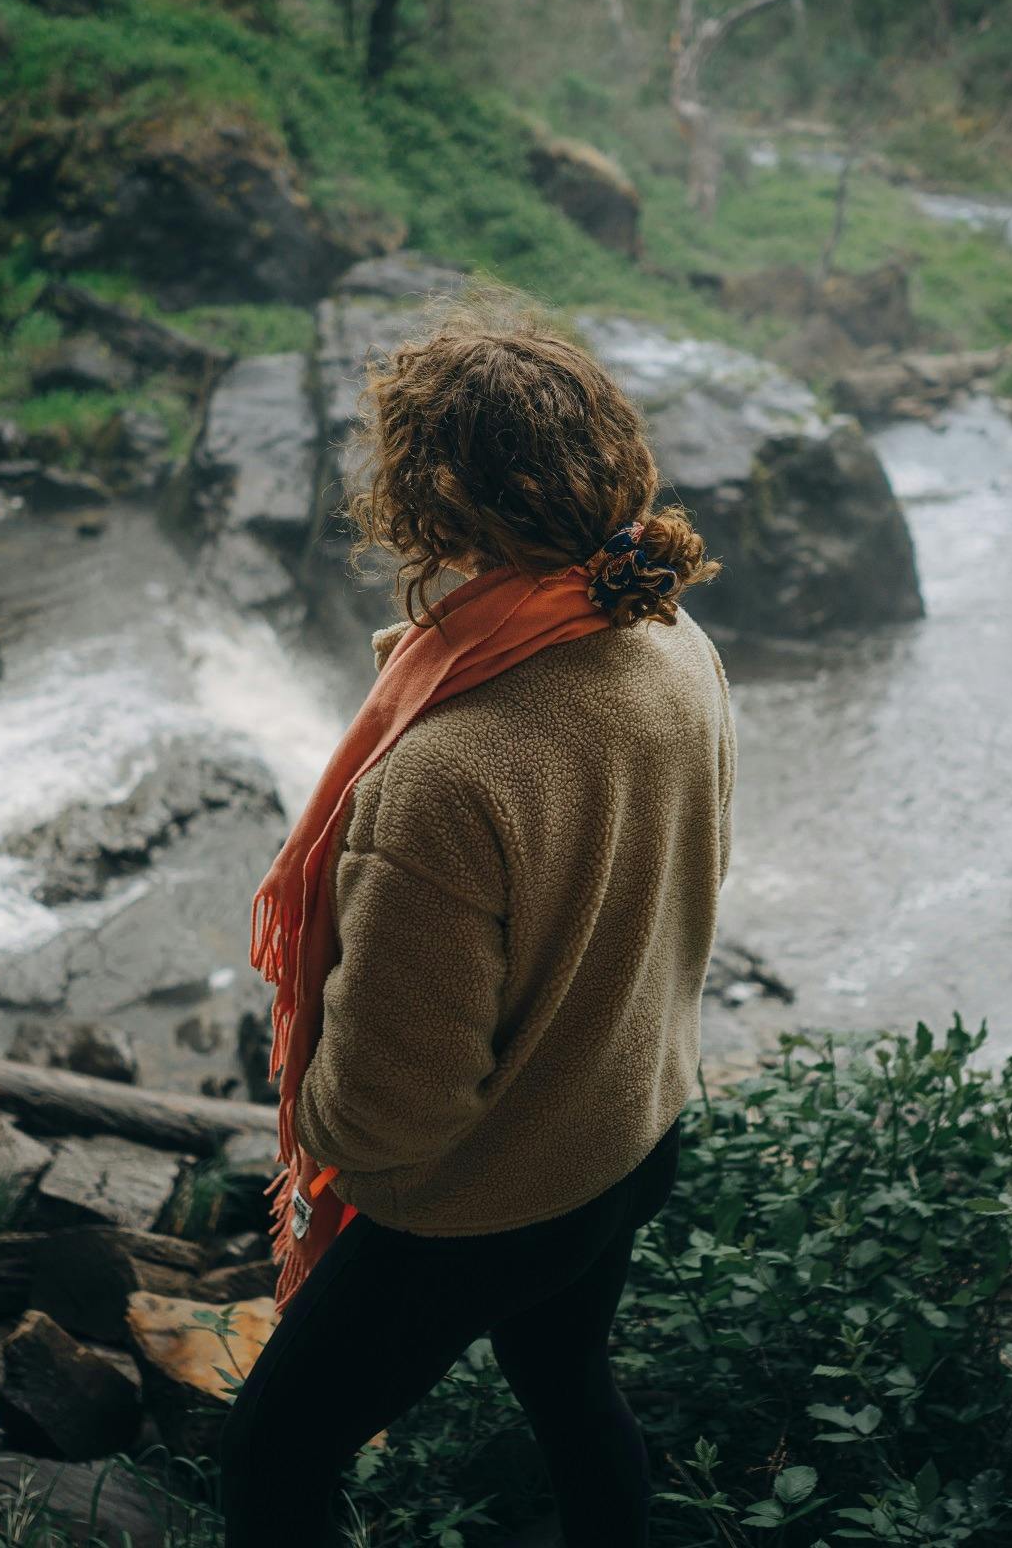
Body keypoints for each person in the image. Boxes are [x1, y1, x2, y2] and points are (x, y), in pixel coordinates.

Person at [221, 299, 735, 1548]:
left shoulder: (450, 767)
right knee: (565, 1380)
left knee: (272, 1456)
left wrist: (316, 1122)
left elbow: (395, 1114)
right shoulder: (673, 641)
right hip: (630, 1130)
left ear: (429, 506)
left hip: (487, 1202)